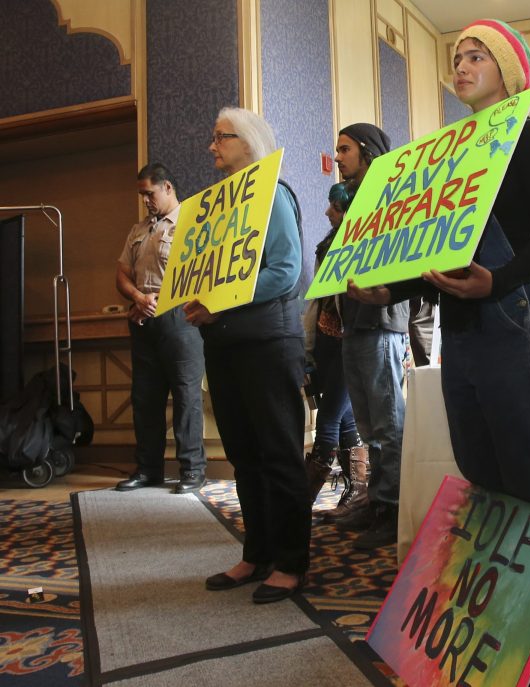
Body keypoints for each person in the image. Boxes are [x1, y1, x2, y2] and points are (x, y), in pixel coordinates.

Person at [349, 19, 530, 686]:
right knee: (486, 488)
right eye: (457, 56)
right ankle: (507, 639)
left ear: (508, 70)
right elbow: (434, 252)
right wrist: (387, 290)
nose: (461, 64)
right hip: (463, 334)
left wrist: (499, 280)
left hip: (521, 323)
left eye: (476, 54)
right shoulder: (448, 154)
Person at [184, 107, 310, 603]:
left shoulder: (273, 194)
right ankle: (256, 555)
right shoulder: (221, 206)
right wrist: (198, 299)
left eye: (221, 137)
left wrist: (219, 300)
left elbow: (286, 271)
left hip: (267, 342)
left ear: (249, 141)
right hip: (225, 343)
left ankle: (291, 563)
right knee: (243, 456)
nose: (212, 146)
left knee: (278, 453)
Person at [332, 123, 410, 550]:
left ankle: (393, 509)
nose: (338, 157)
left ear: (367, 151)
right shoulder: (353, 201)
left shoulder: (389, 197)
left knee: (388, 423)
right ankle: (377, 499)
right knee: (367, 424)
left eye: (345, 149)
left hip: (381, 321)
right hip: (354, 322)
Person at [115, 163, 206, 494]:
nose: (145, 201)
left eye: (149, 193)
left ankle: (192, 470)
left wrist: (163, 298)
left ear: (167, 187)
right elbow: (122, 274)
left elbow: (203, 273)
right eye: (141, 195)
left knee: (186, 396)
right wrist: (138, 297)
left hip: (181, 320)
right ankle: (148, 470)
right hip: (143, 321)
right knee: (145, 398)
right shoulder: (138, 230)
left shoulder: (192, 223)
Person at [303, 182, 368, 515]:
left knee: (329, 418)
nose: (328, 211)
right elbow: (318, 298)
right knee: (344, 419)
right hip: (325, 340)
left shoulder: (359, 243)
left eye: (336, 207)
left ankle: (302, 499)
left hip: (346, 338)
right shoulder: (326, 245)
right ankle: (357, 491)